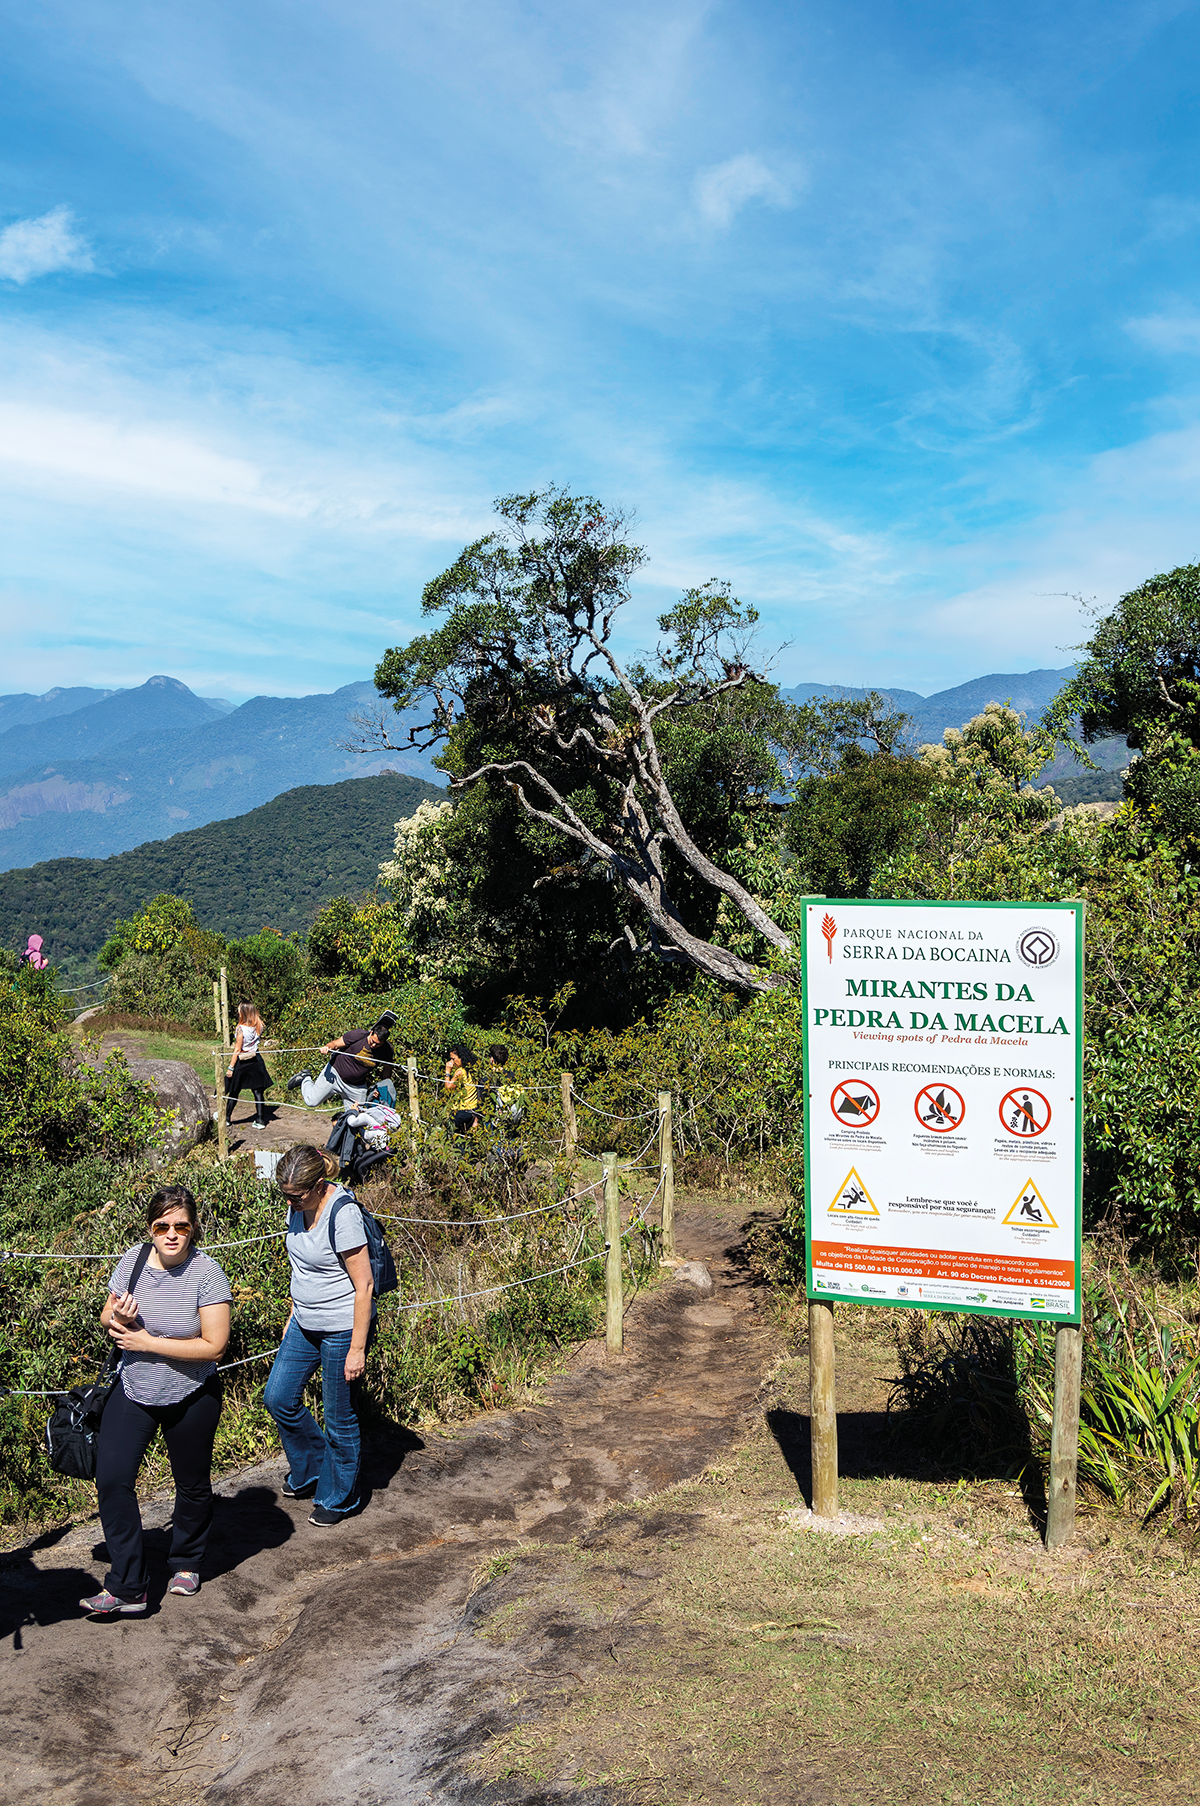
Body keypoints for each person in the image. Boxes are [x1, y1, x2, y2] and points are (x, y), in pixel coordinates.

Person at [79, 1188, 232, 1617]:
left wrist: (147, 1341)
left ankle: (186, 1560)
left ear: (193, 1228)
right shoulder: (132, 1260)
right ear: (150, 1228)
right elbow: (108, 1316)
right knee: (111, 1479)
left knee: (192, 1483)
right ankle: (128, 1585)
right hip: (134, 1388)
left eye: (181, 1226)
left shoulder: (207, 1274)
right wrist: (120, 1319)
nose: (171, 1234)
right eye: (162, 1226)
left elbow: (215, 1346)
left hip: (191, 1393)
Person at [263, 1145, 375, 1525]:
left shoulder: (342, 1216)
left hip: (343, 1327)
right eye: (285, 1195)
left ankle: (338, 1496)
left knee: (339, 1417)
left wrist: (357, 1348)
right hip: (304, 1322)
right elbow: (301, 1269)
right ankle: (311, 1469)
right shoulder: (297, 1207)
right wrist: (293, 1312)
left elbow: (364, 1285)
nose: (290, 1202)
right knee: (278, 1397)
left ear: (319, 1184)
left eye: (296, 1196)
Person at [287, 1010, 397, 1112]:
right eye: (373, 1041)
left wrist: (383, 1088)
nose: (373, 1045)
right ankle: (305, 1078)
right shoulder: (358, 1035)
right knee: (311, 1101)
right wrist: (327, 1047)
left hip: (356, 1086)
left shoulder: (387, 1050)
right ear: (371, 1032)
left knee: (356, 1117)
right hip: (335, 1074)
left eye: (378, 1044)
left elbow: (387, 1069)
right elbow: (335, 1044)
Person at [225, 1000, 273, 1131]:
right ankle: (261, 1119)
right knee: (257, 1091)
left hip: (243, 1060)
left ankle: (227, 1118)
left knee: (234, 1090)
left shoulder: (240, 1029)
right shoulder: (259, 1025)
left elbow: (237, 1049)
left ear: (243, 1012)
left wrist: (231, 1067)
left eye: (240, 1010)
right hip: (256, 1059)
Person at [444, 1044, 481, 1132]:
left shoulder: (460, 1072)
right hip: (473, 1109)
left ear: (460, 1057)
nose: (452, 1061)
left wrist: (447, 1071)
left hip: (462, 1109)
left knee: (455, 1136)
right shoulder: (473, 1069)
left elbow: (448, 1087)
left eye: (453, 1059)